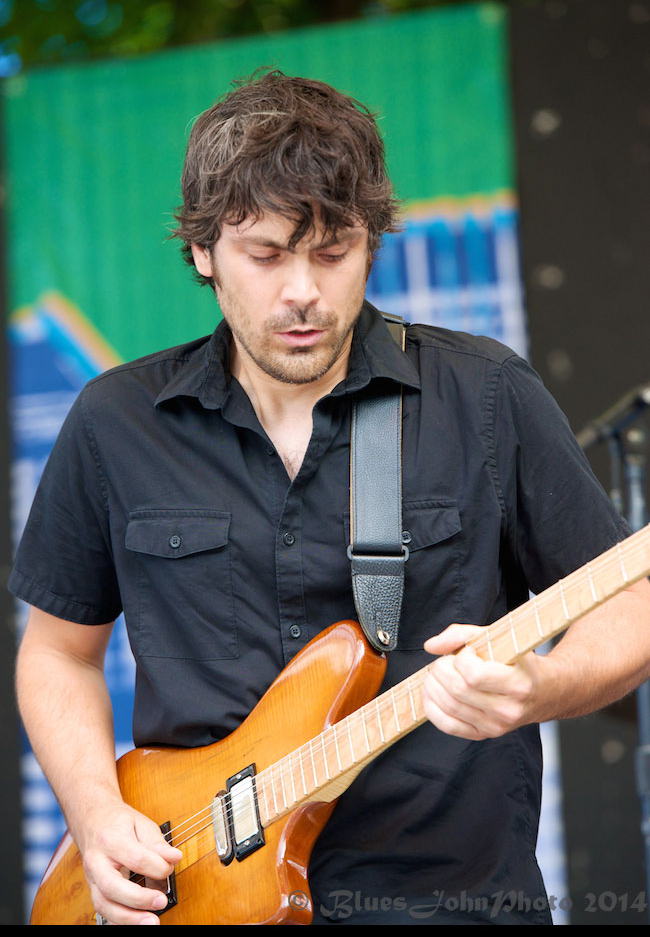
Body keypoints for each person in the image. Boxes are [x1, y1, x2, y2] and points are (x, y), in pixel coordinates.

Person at [12, 71, 650, 926]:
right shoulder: (115, 420)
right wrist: (95, 817)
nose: (303, 292)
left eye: (332, 252)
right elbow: (59, 653)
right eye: (267, 255)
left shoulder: (484, 393)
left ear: (371, 244)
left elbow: (632, 598)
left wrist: (544, 685)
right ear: (203, 252)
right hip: (195, 895)